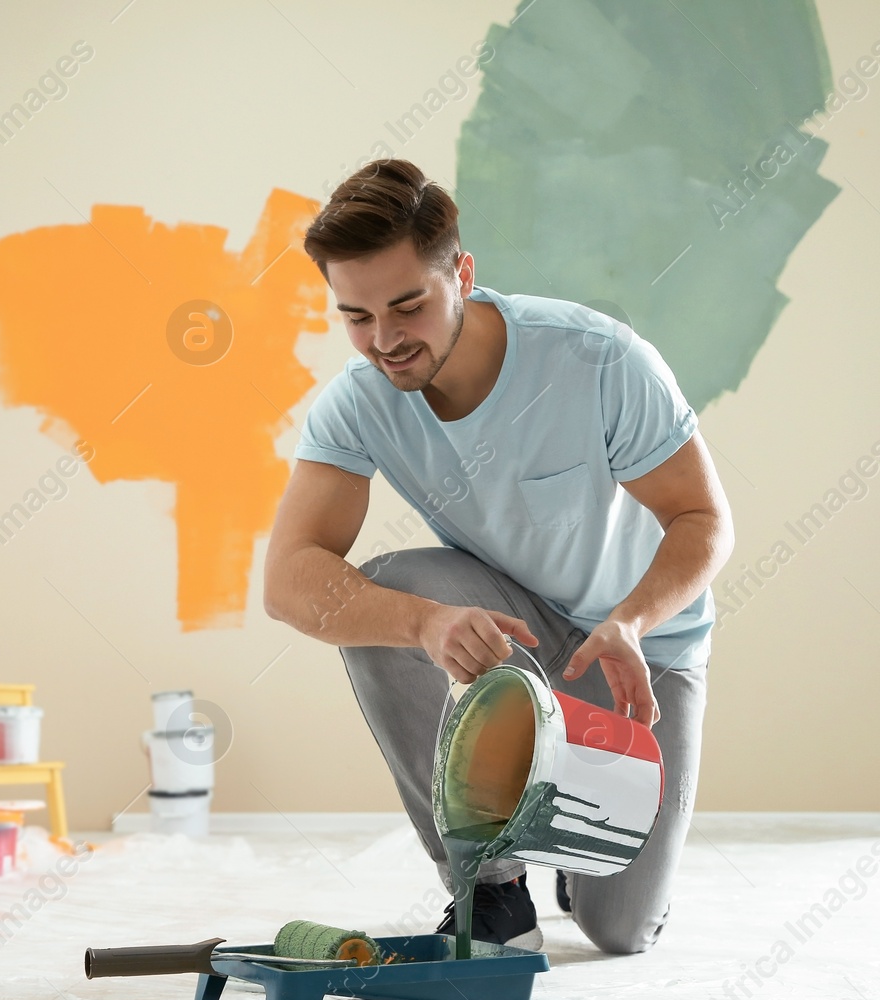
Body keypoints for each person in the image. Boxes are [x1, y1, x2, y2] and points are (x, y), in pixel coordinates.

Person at [262, 159, 734, 954]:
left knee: (617, 930)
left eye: (408, 306)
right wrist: (422, 623)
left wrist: (631, 622)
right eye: (357, 316)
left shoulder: (597, 360)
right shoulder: (360, 401)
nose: (385, 340)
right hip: (514, 628)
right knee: (383, 596)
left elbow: (703, 519)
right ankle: (491, 886)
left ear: (463, 275)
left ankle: (562, 840)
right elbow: (289, 578)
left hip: (637, 650)